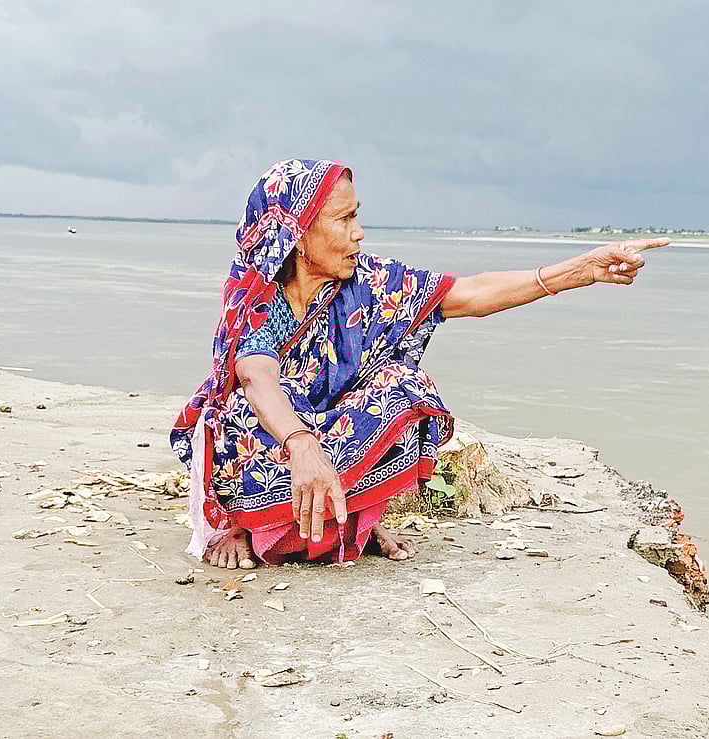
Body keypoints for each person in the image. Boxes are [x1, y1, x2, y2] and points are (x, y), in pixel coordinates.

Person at [171, 158, 668, 569]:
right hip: (266, 434)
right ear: (299, 233)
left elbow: (469, 294)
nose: (359, 233)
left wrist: (579, 270)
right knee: (239, 417)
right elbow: (256, 378)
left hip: (318, 435)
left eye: (356, 216)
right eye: (343, 220)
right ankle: (238, 524)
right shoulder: (257, 295)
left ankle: (349, 523)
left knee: (403, 390)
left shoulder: (369, 281)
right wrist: (300, 443)